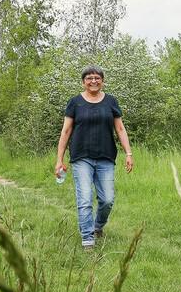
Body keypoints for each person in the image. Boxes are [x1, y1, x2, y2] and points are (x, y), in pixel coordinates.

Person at [55, 65, 134, 249]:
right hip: (81, 157)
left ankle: (97, 226)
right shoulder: (75, 103)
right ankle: (88, 239)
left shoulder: (111, 102)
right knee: (84, 199)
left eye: (97, 78)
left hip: (106, 157)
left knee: (107, 200)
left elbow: (120, 129)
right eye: (89, 78)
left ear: (102, 81)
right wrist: (59, 160)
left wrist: (128, 153)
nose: (93, 81)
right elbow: (66, 131)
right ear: (83, 82)